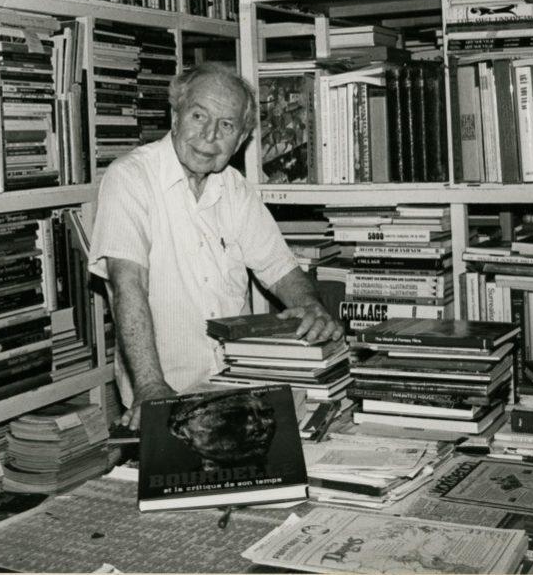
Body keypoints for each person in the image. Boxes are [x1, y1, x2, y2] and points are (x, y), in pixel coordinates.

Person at [88, 62, 343, 429]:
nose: (209, 136)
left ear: (241, 140)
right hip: (164, 397)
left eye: (226, 125)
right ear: (175, 117)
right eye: (198, 116)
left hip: (236, 394)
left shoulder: (235, 188)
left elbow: (280, 269)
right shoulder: (130, 178)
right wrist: (150, 386)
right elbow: (128, 287)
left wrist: (312, 308)